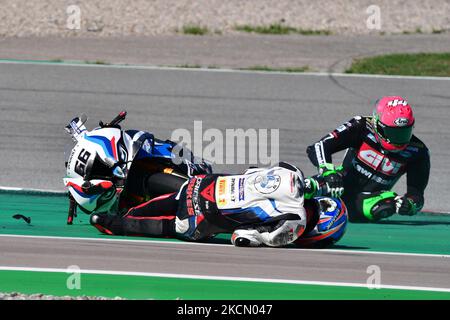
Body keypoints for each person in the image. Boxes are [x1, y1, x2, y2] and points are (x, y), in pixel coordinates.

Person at [89, 162, 346, 247]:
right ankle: (110, 224)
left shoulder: (293, 171)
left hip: (204, 185)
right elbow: (241, 238)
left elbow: (252, 170)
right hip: (202, 219)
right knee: (169, 227)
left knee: (174, 199)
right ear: (323, 229)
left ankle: (116, 211)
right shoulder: (295, 224)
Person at [306, 96, 430, 222]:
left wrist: (409, 205)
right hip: (339, 185)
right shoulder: (361, 126)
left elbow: (417, 195)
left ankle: (339, 215)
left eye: (404, 133)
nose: (398, 140)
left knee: (386, 205)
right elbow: (318, 146)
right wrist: (328, 171)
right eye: (392, 133)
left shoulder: (418, 151)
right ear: (377, 124)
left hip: (370, 200)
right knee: (307, 187)